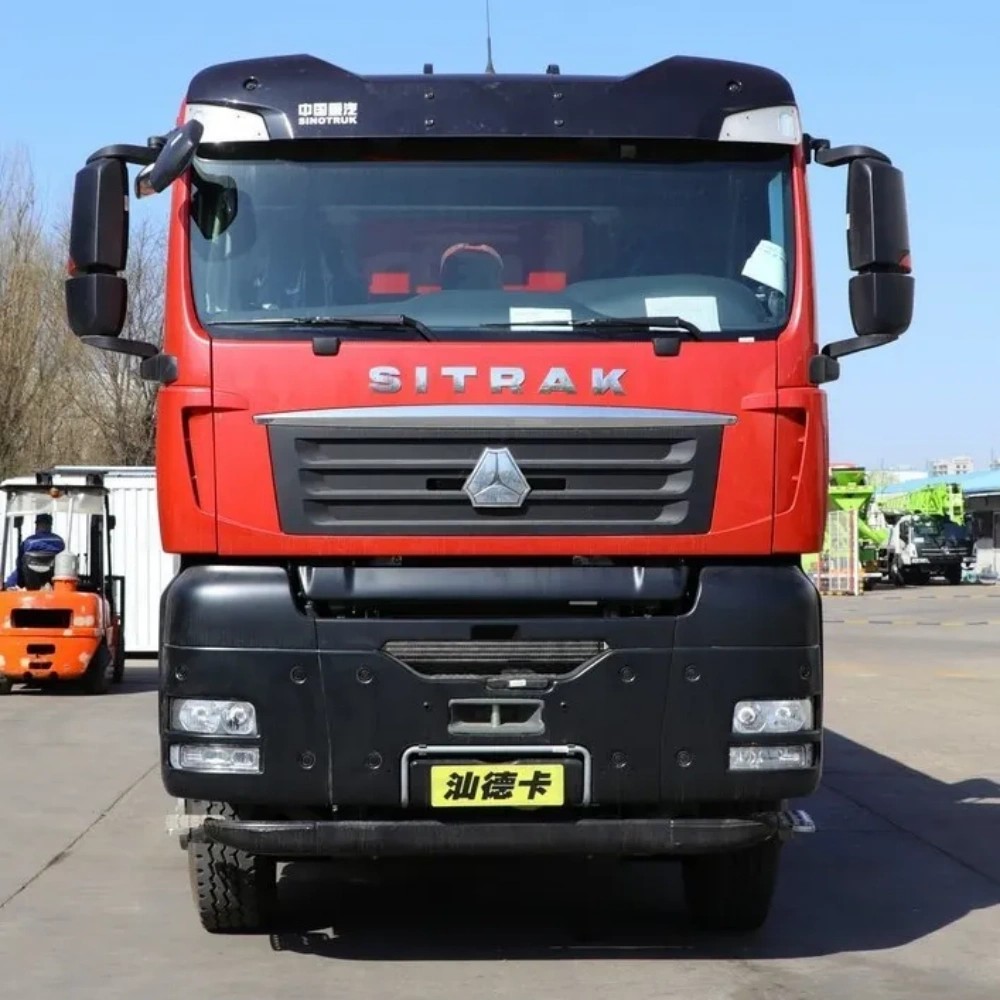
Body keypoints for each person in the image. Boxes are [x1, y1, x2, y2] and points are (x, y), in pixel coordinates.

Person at [4, 513, 66, 589]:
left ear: (37, 525)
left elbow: (19, 563)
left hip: (31, 581)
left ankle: (9, 586)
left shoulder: (28, 542)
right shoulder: (59, 541)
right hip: (52, 581)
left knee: (19, 566)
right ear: (50, 525)